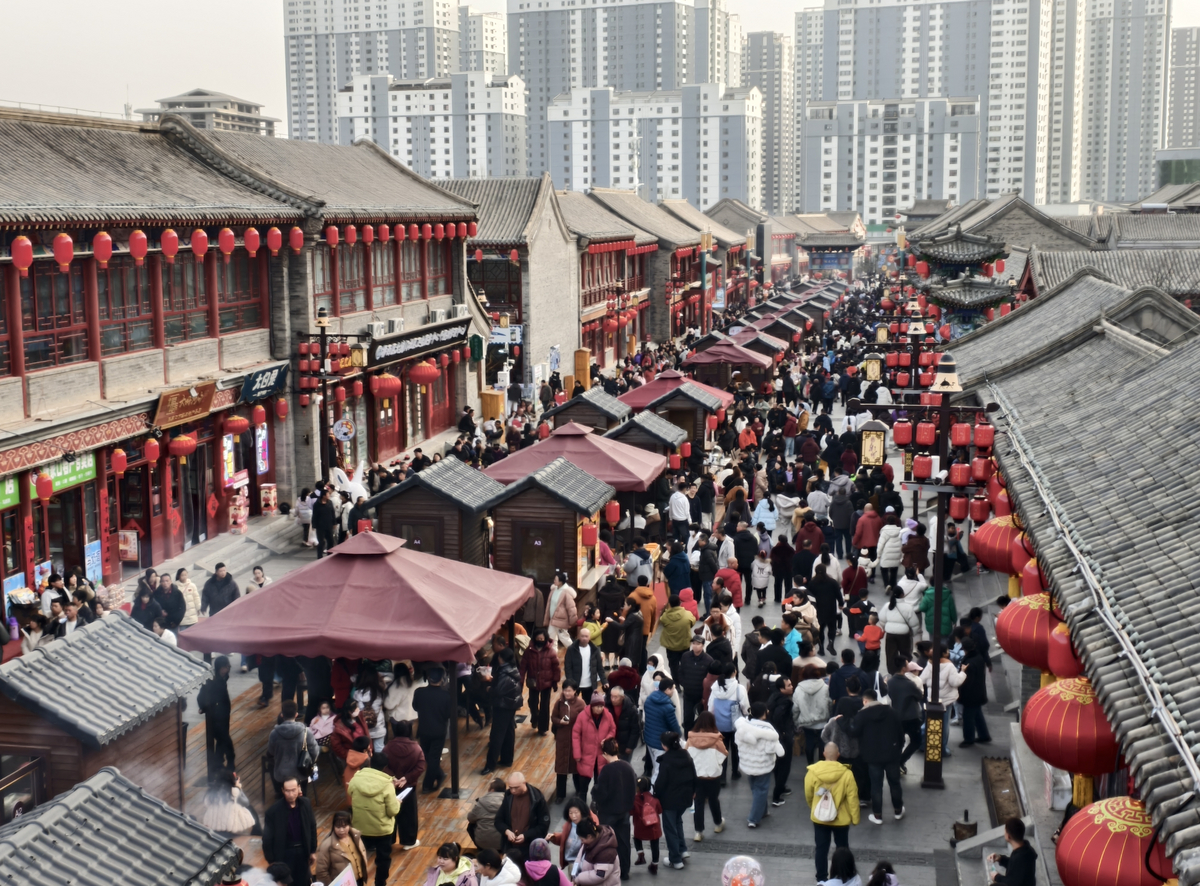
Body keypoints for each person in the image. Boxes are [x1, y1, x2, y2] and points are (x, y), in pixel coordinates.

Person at [842, 690, 904, 824]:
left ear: (865, 701)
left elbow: (853, 732)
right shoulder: (892, 712)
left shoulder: (862, 715)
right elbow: (900, 733)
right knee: (894, 783)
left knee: (876, 786)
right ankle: (898, 810)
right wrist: (898, 749)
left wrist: (842, 722)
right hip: (892, 754)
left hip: (872, 756)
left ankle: (877, 815)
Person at [804, 743, 860, 884]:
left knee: (821, 849)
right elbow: (852, 798)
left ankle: (821, 879)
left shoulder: (813, 772)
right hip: (841, 819)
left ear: (824, 754)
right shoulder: (847, 774)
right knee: (842, 849)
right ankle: (842, 876)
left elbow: (808, 793)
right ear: (838, 755)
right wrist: (855, 818)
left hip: (820, 818)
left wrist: (813, 807)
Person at [349, 753, 406, 883]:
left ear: (370, 763)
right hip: (382, 829)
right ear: (385, 767)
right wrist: (397, 802)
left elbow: (350, 792)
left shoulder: (356, 779)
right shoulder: (387, 784)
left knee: (359, 858)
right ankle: (380, 883)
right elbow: (392, 811)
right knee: (383, 859)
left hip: (361, 827)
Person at [735, 702, 785, 828]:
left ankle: (763, 811)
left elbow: (737, 742)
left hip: (748, 764)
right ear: (763, 714)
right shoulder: (768, 731)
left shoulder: (743, 727)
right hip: (763, 765)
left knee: (755, 788)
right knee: (761, 790)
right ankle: (753, 818)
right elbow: (779, 751)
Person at [592, 737, 636, 880]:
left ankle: (607, 869)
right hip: (624, 811)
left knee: (606, 841)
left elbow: (601, 793)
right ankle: (625, 870)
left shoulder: (607, 770)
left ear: (605, 753)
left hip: (608, 812)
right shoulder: (628, 767)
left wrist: (594, 791)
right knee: (624, 842)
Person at [651, 731, 695, 870]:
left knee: (670, 828)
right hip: (685, 797)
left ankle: (675, 859)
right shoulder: (686, 755)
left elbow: (661, 782)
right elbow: (694, 774)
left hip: (670, 800)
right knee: (678, 822)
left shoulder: (666, 760)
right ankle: (682, 849)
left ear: (665, 745)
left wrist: (655, 795)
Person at [262, 778, 318, 886]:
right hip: (285, 853)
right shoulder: (273, 812)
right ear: (283, 790)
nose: (291, 794)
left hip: (303, 850)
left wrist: (312, 850)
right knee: (288, 882)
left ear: (299, 788)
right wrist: (272, 861)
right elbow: (267, 838)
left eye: (293, 790)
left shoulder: (306, 804)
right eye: (287, 791)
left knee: (305, 881)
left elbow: (312, 827)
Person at [686, 710, 727, 841]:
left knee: (698, 803)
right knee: (714, 800)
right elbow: (723, 755)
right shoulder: (716, 740)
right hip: (713, 775)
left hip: (697, 775)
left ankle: (698, 832)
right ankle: (718, 823)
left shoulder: (691, 739)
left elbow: (687, 756)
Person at [384, 720, 425, 847]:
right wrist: (406, 778)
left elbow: (383, 764)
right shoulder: (416, 748)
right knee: (409, 815)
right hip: (408, 786)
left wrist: (393, 778)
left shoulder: (388, 747)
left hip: (391, 785)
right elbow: (420, 766)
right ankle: (408, 841)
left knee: (389, 813)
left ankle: (389, 840)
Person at [921, 644, 966, 758]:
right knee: (944, 726)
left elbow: (922, 679)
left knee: (929, 723)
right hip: (946, 700)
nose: (949, 652)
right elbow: (955, 682)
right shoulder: (949, 666)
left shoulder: (930, 663)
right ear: (944, 653)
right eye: (947, 651)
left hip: (932, 699)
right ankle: (942, 749)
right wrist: (963, 672)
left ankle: (922, 743)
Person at [413, 668, 454, 792]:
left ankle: (439, 774)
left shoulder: (419, 692)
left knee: (426, 755)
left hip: (423, 729)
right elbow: (449, 714)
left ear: (428, 678)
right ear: (442, 679)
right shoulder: (446, 695)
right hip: (439, 730)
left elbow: (415, 707)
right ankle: (427, 785)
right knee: (434, 758)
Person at [708, 663, 749, 784]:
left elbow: (711, 707)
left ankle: (722, 776)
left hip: (720, 724)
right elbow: (745, 706)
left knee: (722, 749)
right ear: (734, 672)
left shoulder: (716, 687)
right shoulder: (739, 688)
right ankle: (735, 772)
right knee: (735, 749)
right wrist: (746, 715)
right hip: (735, 725)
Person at [268, 700, 319, 798]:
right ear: (296, 714)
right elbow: (315, 751)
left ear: (282, 715)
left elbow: (271, 752)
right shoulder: (305, 732)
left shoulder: (274, 734)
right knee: (302, 799)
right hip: (301, 773)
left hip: (281, 774)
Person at [484, 647, 522, 774]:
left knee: (497, 734)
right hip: (511, 704)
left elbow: (498, 691)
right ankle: (507, 759)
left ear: (502, 659)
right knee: (509, 732)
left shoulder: (504, 673)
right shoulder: (512, 669)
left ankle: (490, 765)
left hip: (503, 705)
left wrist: (489, 689)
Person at [198, 656, 234, 782]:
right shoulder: (213, 681)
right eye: (225, 667)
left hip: (223, 714)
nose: (227, 670)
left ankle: (219, 763)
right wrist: (203, 707)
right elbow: (202, 695)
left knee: (222, 740)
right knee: (224, 739)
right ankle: (226, 763)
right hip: (216, 715)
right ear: (220, 668)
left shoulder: (223, 678)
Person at [572, 695, 617, 799]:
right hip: (586, 755)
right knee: (583, 786)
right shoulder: (582, 716)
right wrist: (577, 754)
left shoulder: (608, 715)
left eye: (601, 706)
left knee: (599, 784)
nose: (599, 709)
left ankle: (596, 804)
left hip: (602, 755)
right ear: (592, 706)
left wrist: (607, 739)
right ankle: (582, 805)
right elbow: (575, 735)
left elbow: (612, 729)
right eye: (597, 706)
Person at [495, 771, 551, 851]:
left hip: (531, 848)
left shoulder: (537, 798)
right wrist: (506, 831)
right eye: (510, 788)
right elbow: (498, 820)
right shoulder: (508, 797)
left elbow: (543, 825)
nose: (513, 791)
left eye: (516, 787)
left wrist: (526, 836)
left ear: (524, 783)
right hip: (510, 847)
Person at [886, 660, 926, 774]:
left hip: (897, 716)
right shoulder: (910, 684)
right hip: (912, 716)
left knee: (899, 742)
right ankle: (901, 761)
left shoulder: (890, 681)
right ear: (904, 668)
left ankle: (895, 764)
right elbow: (919, 695)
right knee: (916, 741)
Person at [522, 628, 562, 736]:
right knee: (532, 702)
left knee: (545, 705)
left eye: (542, 639)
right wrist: (521, 680)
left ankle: (543, 728)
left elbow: (556, 668)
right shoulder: (529, 651)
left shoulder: (551, 652)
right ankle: (535, 717)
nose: (540, 640)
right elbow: (523, 667)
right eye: (538, 638)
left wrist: (555, 681)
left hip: (546, 682)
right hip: (533, 682)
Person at [551, 681, 586, 801]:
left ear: (575, 691)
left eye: (569, 690)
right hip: (562, 737)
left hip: (576, 738)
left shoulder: (581, 703)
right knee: (561, 766)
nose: (567, 693)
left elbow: (585, 720)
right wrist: (560, 722)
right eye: (565, 690)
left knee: (576, 765)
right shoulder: (559, 703)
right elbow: (553, 717)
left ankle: (579, 790)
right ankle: (560, 795)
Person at [642, 677, 681, 783]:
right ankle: (653, 790)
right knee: (659, 771)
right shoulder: (667, 707)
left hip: (649, 739)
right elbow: (674, 726)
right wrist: (679, 736)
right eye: (672, 689)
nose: (673, 691)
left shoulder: (649, 699)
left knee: (656, 766)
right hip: (660, 743)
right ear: (667, 689)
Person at [315, 810, 369, 886]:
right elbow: (321, 871)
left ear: (349, 825)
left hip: (359, 881)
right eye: (338, 827)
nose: (341, 830)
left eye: (344, 827)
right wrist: (332, 884)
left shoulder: (356, 836)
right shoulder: (327, 845)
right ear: (333, 826)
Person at [199, 769, 257, 837]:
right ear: (231, 780)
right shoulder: (234, 792)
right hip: (230, 828)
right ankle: (256, 833)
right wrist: (238, 788)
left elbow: (206, 804)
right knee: (249, 809)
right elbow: (246, 802)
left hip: (213, 827)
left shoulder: (211, 792)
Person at [794, 664, 833, 764]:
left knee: (809, 742)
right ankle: (821, 764)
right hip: (822, 721)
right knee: (822, 742)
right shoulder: (825, 688)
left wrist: (796, 721)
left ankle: (810, 764)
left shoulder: (799, 689)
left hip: (806, 722)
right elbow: (829, 703)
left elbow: (795, 708)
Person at [958, 637, 992, 747]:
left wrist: (961, 692)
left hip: (970, 695)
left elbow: (968, 682)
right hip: (978, 692)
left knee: (968, 717)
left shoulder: (970, 663)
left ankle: (969, 739)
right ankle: (984, 735)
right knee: (977, 715)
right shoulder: (978, 657)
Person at [676, 635, 713, 735]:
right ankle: (687, 738)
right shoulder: (685, 656)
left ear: (703, 645)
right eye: (694, 643)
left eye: (698, 644)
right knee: (687, 719)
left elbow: (709, 678)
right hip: (688, 695)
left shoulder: (708, 660)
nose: (695, 646)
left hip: (701, 696)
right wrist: (684, 683)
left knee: (702, 720)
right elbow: (680, 671)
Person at [549, 796, 596, 872]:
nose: (573, 816)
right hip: (571, 862)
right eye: (571, 813)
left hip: (584, 864)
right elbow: (566, 838)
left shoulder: (589, 826)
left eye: (576, 812)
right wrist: (554, 837)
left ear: (582, 812)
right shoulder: (569, 825)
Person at [988, 817, 1038, 886]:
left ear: (1008, 836)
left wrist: (996, 877)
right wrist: (1000, 858)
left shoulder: (1019, 857)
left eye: (1005, 831)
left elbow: (1011, 882)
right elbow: (1015, 867)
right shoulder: (1026, 849)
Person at [564, 627, 606, 705]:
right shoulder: (571, 649)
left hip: (590, 684)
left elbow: (599, 667)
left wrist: (604, 681)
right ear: (578, 636)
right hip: (575, 684)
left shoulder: (595, 650)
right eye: (582, 636)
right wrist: (570, 682)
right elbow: (568, 667)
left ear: (589, 637)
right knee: (572, 705)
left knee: (589, 706)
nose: (584, 638)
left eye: (586, 636)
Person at [659, 594, 696, 681]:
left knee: (673, 665)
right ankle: (685, 681)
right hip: (684, 644)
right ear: (680, 603)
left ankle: (676, 682)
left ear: (669, 604)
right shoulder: (688, 615)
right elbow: (693, 622)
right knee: (685, 664)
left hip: (671, 646)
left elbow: (662, 621)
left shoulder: (665, 616)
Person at [809, 564, 844, 655]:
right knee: (832, 627)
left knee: (820, 629)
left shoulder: (812, 583)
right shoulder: (832, 582)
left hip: (818, 609)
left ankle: (821, 648)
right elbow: (838, 594)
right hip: (831, 608)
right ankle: (831, 643)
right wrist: (841, 603)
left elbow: (810, 596)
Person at [575, 818, 621, 886]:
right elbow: (579, 858)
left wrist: (579, 878)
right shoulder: (588, 843)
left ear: (589, 836)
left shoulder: (606, 853)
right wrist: (574, 873)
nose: (581, 842)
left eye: (582, 839)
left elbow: (599, 875)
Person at [632, 776, 662, 875]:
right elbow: (659, 810)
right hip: (654, 828)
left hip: (640, 826)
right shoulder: (654, 799)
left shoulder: (635, 799)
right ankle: (654, 864)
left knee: (636, 838)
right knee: (655, 844)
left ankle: (640, 854)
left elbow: (631, 812)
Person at [467, 778, 508, 851]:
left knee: (470, 826)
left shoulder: (481, 803)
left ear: (492, 790)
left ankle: (480, 850)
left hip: (483, 843)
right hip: (502, 843)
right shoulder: (509, 802)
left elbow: (470, 818)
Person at [546, 571, 578, 650]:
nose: (554, 581)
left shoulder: (566, 592)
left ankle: (575, 652)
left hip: (561, 620)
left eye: (555, 579)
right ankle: (553, 655)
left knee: (564, 638)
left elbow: (571, 608)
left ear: (560, 582)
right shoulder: (553, 589)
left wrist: (572, 621)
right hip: (552, 619)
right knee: (551, 638)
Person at [311, 488, 337, 558]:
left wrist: (334, 523)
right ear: (323, 496)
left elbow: (333, 513)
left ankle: (330, 555)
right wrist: (314, 525)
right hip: (320, 526)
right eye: (327, 494)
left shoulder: (330, 503)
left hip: (329, 525)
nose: (329, 496)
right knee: (321, 541)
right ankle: (319, 556)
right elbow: (314, 515)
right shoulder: (317, 504)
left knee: (330, 540)